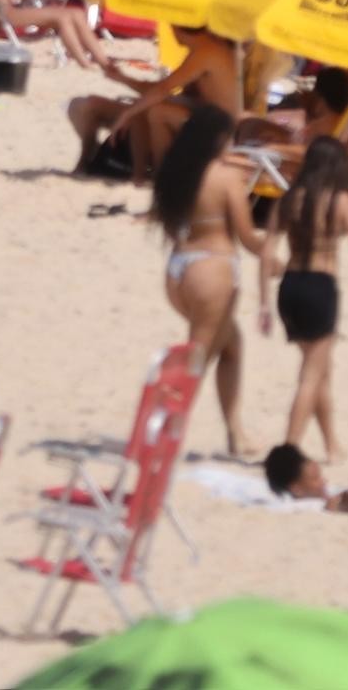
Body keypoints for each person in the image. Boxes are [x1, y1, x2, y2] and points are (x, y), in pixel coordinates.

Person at [263, 135, 348, 469]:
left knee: (321, 371)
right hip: (320, 287)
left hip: (289, 288)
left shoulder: (290, 198)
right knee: (311, 375)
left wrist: (264, 303)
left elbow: (267, 252)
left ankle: (331, 444)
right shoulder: (339, 201)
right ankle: (289, 451)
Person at [152, 98, 256, 456]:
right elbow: (246, 236)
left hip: (179, 270)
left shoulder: (178, 169)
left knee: (230, 346)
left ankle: (235, 432)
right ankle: (165, 431)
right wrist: (272, 249)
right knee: (198, 359)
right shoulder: (226, 179)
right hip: (213, 271)